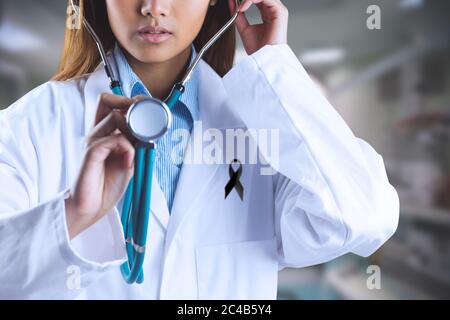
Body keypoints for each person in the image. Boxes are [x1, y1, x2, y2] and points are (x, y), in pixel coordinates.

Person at [0, 0, 399, 299]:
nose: (153, 8)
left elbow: (361, 219)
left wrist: (274, 67)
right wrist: (72, 218)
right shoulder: (31, 125)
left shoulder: (264, 122)